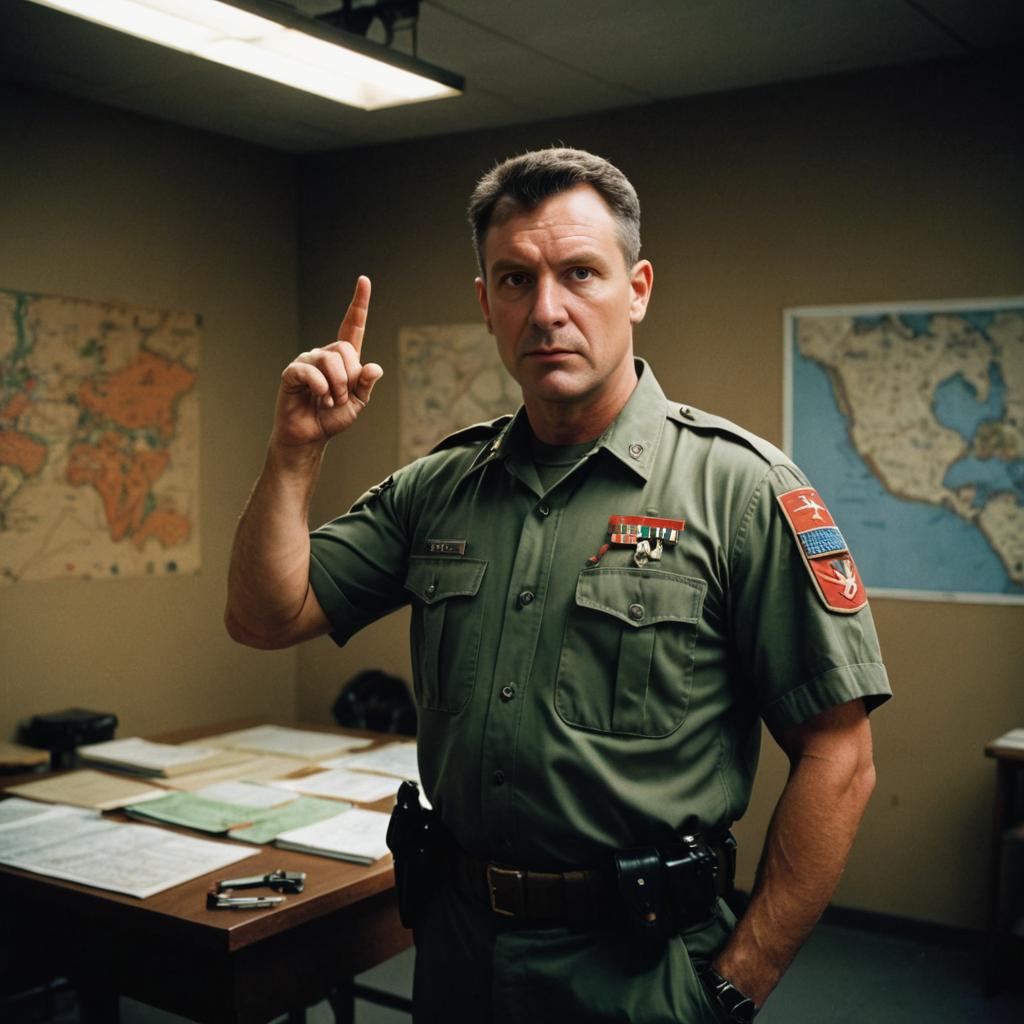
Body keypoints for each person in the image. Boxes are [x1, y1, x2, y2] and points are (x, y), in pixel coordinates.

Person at [226, 147, 891, 1023]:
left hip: (640, 967)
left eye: (580, 272)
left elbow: (839, 758)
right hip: (459, 949)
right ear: (486, 304)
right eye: (514, 280)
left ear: (638, 288)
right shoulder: (442, 487)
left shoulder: (743, 492)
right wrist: (295, 453)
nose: (547, 311)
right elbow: (265, 617)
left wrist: (733, 985)